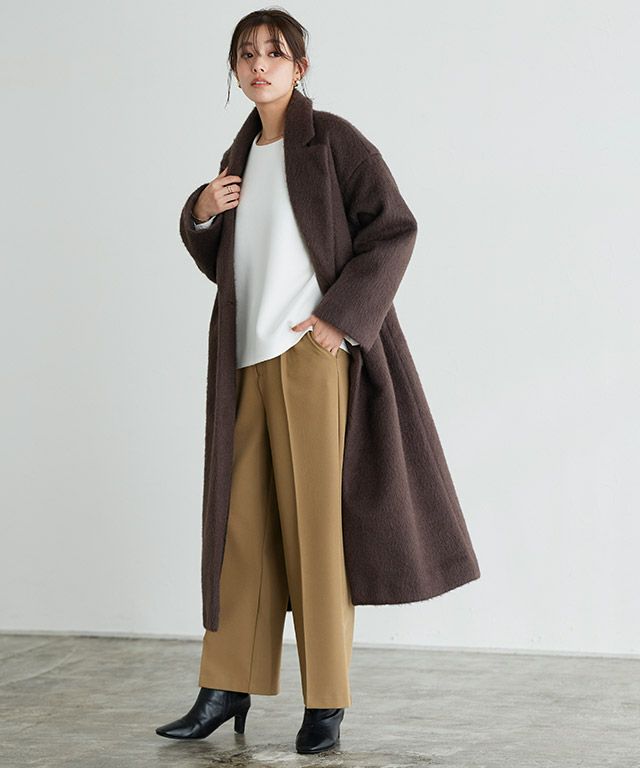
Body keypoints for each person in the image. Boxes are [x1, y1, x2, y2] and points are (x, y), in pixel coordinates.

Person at [156, 6, 480, 757]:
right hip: (245, 360)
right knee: (241, 531)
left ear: (300, 67)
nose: (258, 65)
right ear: (235, 71)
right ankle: (225, 687)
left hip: (310, 358)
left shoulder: (331, 140)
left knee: (316, 533)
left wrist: (341, 318)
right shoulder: (238, 158)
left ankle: (325, 700)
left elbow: (394, 228)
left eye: (274, 53)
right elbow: (229, 262)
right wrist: (199, 212)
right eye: (246, 55)